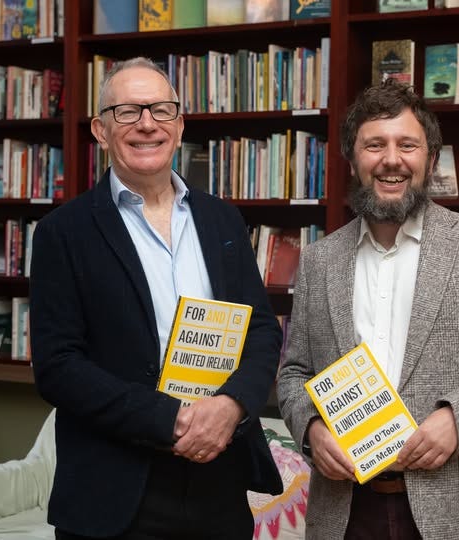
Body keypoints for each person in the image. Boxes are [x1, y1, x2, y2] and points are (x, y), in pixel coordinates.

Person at [276, 79, 459, 540]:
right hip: (346, 513)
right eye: (374, 145)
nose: (391, 160)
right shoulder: (318, 260)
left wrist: (458, 419)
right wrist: (310, 430)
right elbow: (294, 372)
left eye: (407, 145)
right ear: (352, 159)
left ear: (429, 159)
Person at [30, 57, 283, 540]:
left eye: (161, 110)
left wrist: (231, 406)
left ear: (179, 125)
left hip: (219, 481)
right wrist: (170, 420)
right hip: (115, 489)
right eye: (128, 111)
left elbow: (262, 330)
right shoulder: (63, 233)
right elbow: (58, 366)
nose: (147, 124)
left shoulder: (223, 221)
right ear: (100, 130)